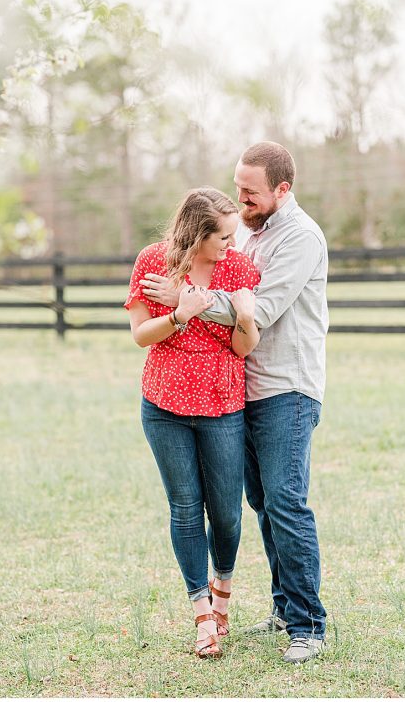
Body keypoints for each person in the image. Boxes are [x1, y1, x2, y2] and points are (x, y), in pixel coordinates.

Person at [140, 142, 330, 664]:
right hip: (242, 388)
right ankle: (283, 606)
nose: (240, 199)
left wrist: (182, 300)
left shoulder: (300, 238)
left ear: (282, 190)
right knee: (263, 504)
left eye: (250, 192)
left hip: (286, 388)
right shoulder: (245, 228)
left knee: (286, 503)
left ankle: (308, 623)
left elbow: (259, 309)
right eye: (237, 187)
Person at [124, 186, 260, 659]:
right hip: (164, 406)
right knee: (185, 508)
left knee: (224, 510)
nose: (230, 242)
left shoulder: (238, 268)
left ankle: (222, 590)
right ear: (198, 234)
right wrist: (180, 315)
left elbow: (244, 347)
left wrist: (244, 317)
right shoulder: (151, 262)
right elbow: (142, 334)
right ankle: (202, 614)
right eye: (222, 235)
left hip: (223, 404)